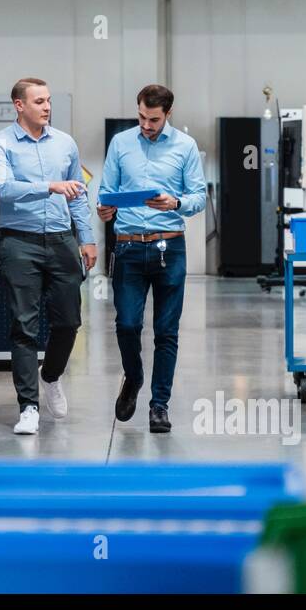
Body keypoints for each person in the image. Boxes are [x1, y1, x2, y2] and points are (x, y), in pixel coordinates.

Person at [0, 78, 98, 435]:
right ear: (19, 105)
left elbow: (77, 194)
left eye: (48, 100)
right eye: (38, 101)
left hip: (62, 240)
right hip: (20, 242)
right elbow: (3, 188)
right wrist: (48, 186)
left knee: (69, 322)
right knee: (24, 326)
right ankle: (28, 407)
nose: (46, 107)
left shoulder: (65, 143)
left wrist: (88, 238)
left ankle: (50, 376)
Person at [96, 84, 206, 433]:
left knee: (166, 332)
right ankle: (134, 375)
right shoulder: (120, 143)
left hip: (168, 248)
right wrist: (103, 208)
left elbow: (198, 196)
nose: (146, 124)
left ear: (168, 115)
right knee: (126, 324)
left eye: (154, 119)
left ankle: (160, 405)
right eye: (142, 117)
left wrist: (176, 203)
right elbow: (105, 190)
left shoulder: (185, 147)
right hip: (128, 246)